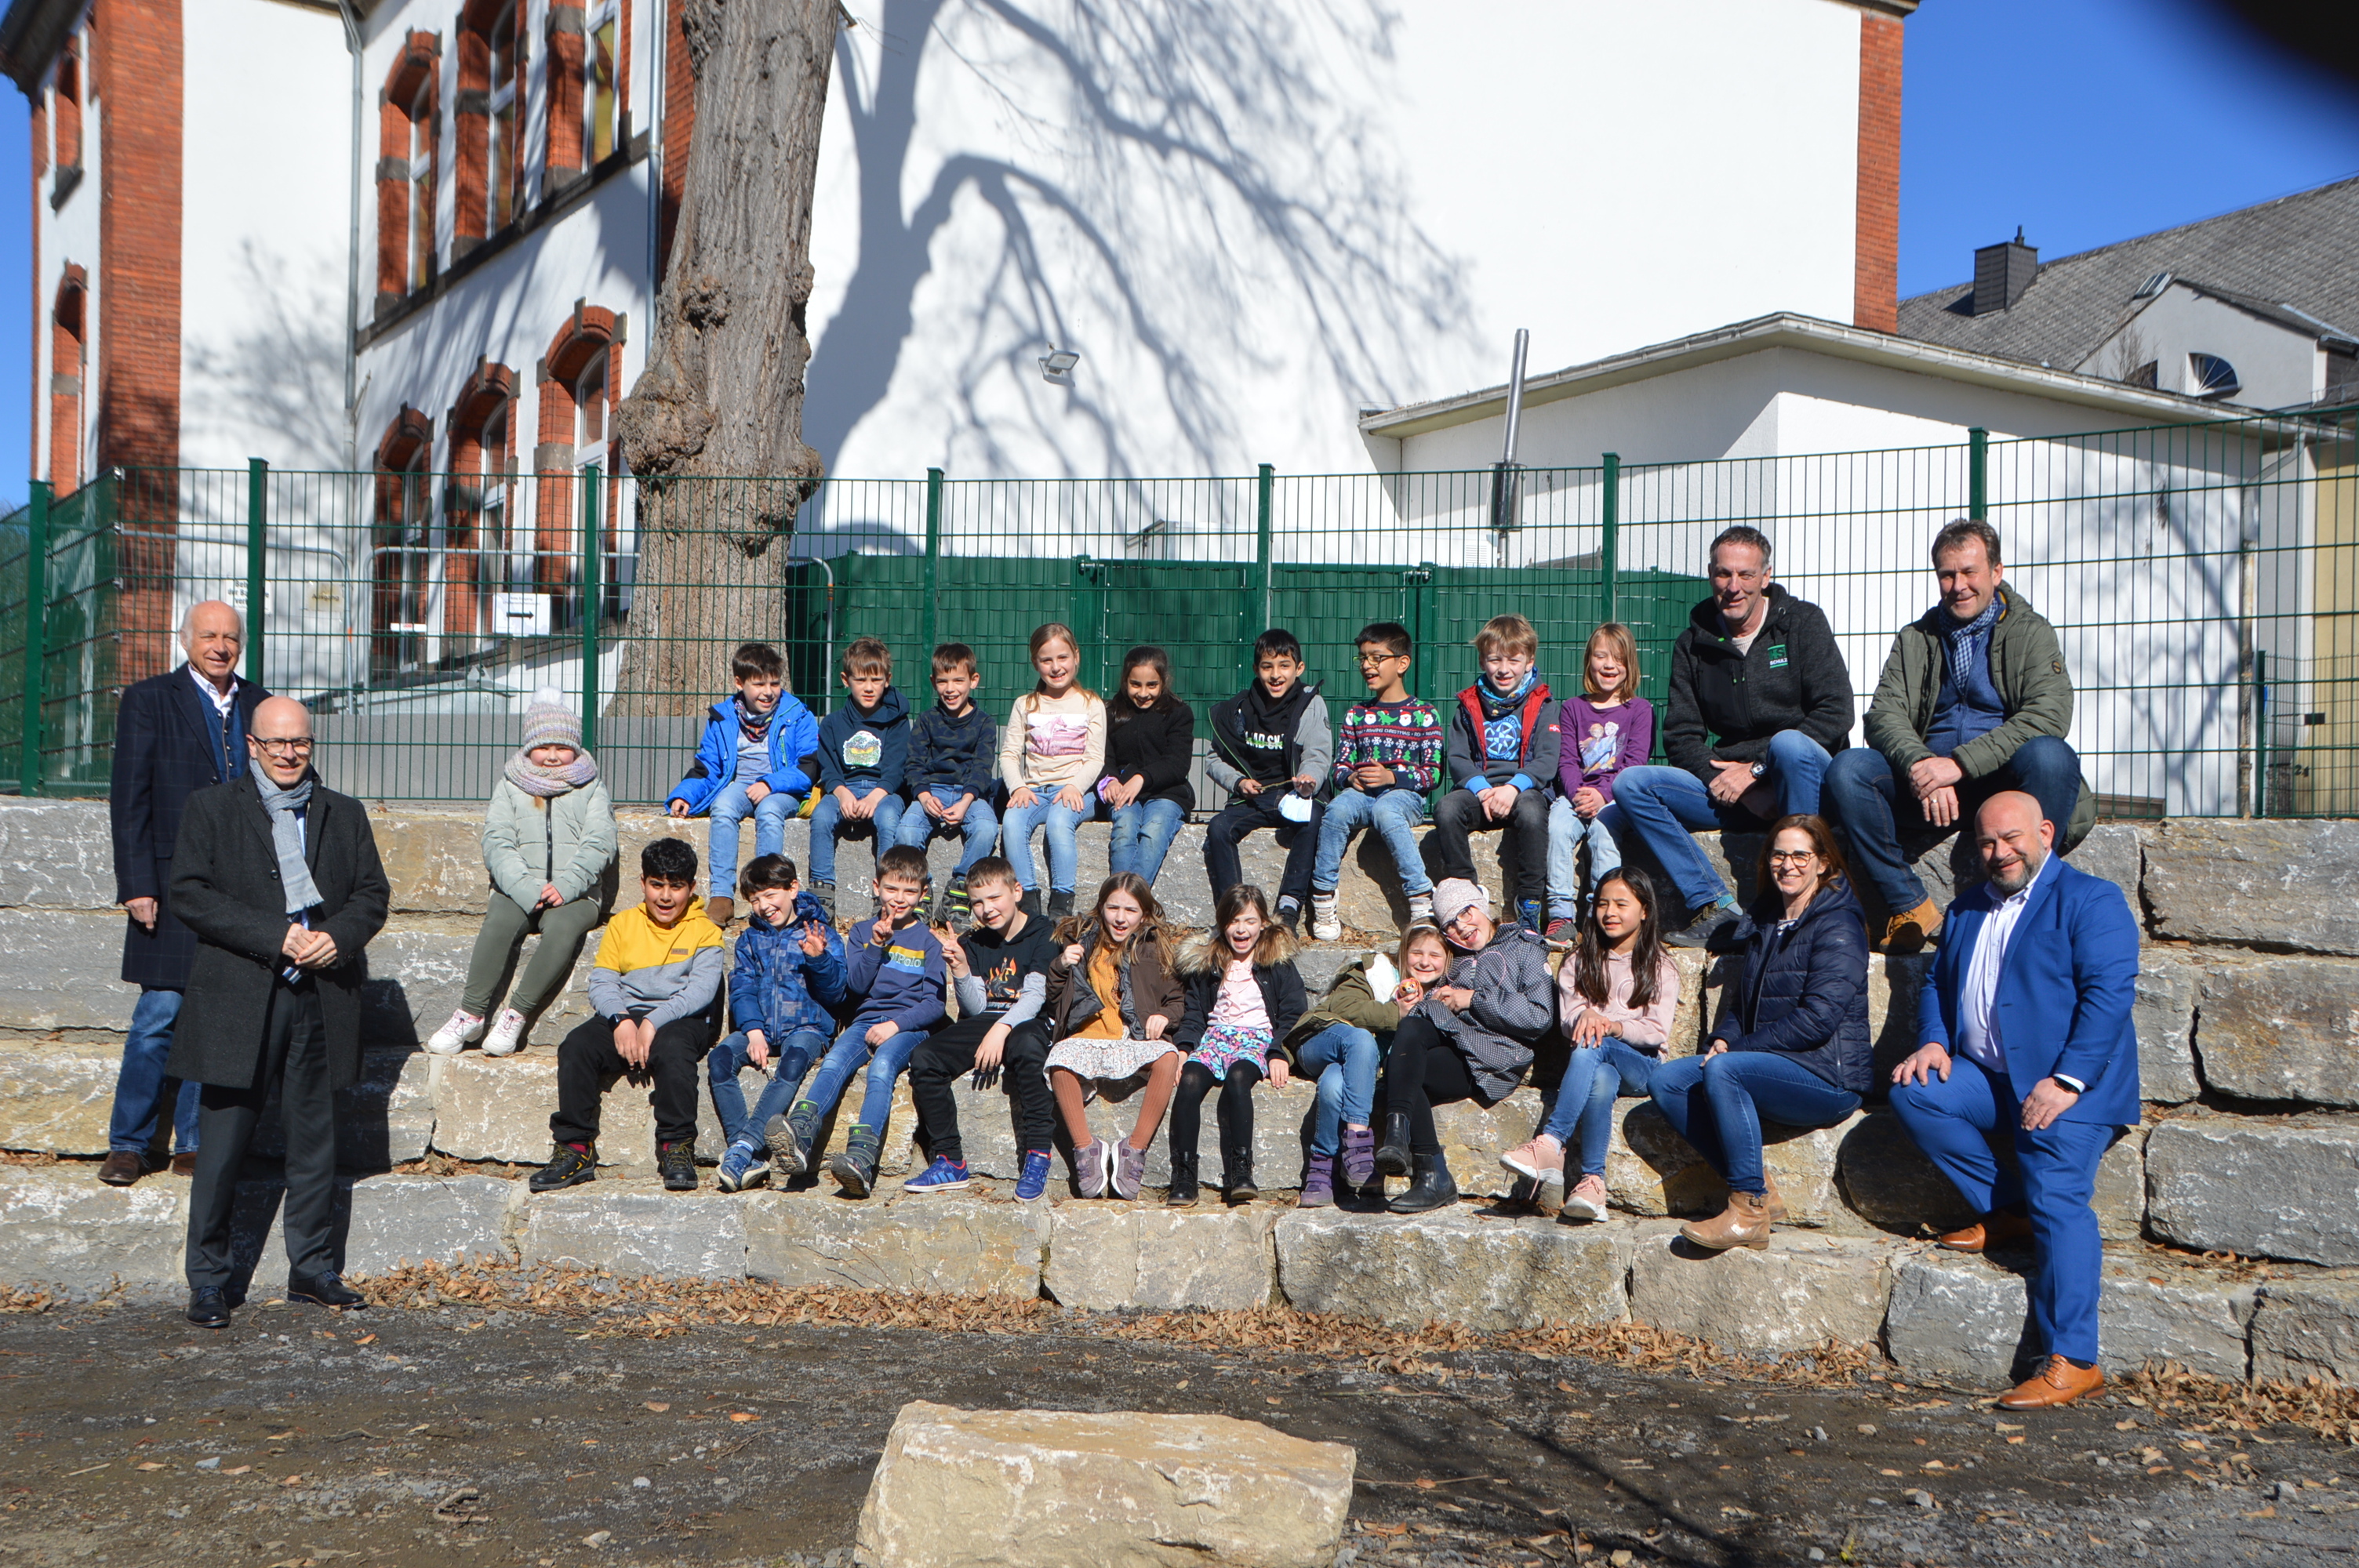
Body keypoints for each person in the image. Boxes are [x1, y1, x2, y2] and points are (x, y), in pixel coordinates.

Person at [1888, 791, 2139, 1410]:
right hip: (1989, 1077)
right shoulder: (1969, 906)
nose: (2000, 853)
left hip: (2070, 1087)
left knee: (2058, 1193)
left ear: (2046, 833)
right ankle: (2007, 1210)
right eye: (1987, 842)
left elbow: (2108, 996)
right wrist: (1935, 1042)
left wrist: (2067, 1081)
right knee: (1917, 1095)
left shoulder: (2091, 899)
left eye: (2012, 838)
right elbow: (1939, 984)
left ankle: (2075, 1358)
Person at [169, 696, 389, 1328]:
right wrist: (276, 935)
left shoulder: (341, 814)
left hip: (321, 998)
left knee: (316, 1143)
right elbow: (188, 892)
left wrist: (339, 937)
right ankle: (209, 1281)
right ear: (253, 745)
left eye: (301, 743)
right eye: (277, 743)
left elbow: (372, 894)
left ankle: (313, 1269)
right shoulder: (212, 808)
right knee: (222, 1146)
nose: (290, 754)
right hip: (241, 998)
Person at [1824, 519, 2094, 954]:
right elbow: (1883, 715)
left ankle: (2033, 901)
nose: (1958, 585)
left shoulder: (2031, 632)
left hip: (2004, 782)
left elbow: (2048, 714)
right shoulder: (1916, 638)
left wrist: (1960, 764)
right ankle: (1910, 904)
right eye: (1947, 575)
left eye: (1969, 572)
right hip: (1930, 789)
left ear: (1996, 572)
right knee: (1850, 769)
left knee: (2051, 756)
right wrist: (1919, 765)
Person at [1603, 528, 1853, 948]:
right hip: (1733, 788)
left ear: (1766, 576)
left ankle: (1804, 904)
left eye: (1745, 575)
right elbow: (1681, 735)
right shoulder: (1692, 644)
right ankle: (1715, 905)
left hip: (1802, 779)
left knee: (1788, 745)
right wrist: (1737, 788)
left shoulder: (1803, 623)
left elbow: (1835, 713)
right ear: (1709, 575)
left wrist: (1758, 773)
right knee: (1632, 784)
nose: (1733, 587)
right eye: (1723, 574)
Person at [1648, 815, 1870, 1250]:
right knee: (1667, 1080)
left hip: (1829, 1076)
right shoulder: (1768, 917)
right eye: (1779, 854)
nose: (1787, 865)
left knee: (1724, 1072)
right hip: (1768, 1062)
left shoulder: (1838, 924)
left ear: (1823, 863)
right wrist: (1724, 1039)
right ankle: (1763, 1189)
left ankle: (1748, 1209)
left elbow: (1819, 1019)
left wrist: (1735, 1053)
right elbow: (1741, 1001)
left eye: (1800, 855)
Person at [103, 600, 267, 1186]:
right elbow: (131, 800)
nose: (220, 646)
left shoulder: (259, 703)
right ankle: (129, 1142)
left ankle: (194, 1142)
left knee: (218, 1012)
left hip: (240, 889)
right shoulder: (149, 700)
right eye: (208, 635)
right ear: (186, 640)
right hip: (170, 885)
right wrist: (137, 885)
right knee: (160, 1012)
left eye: (229, 637)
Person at [532, 837, 727, 1194]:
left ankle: (677, 1145)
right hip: (627, 1013)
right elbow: (602, 982)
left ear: (692, 888)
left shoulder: (706, 931)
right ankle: (575, 1148)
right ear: (643, 884)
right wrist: (621, 1020)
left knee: (673, 1050)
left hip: (682, 1018)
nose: (665, 897)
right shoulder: (622, 924)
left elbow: (700, 992)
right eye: (657, 885)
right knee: (576, 1047)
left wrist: (653, 1021)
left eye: (676, 887)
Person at [428, 689, 616, 1058]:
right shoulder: (510, 785)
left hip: (575, 894)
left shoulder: (590, 786)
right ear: (529, 747)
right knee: (498, 923)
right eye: (543, 747)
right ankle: (471, 1012)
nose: (551, 756)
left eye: (561, 748)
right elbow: (497, 842)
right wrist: (526, 889)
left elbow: (600, 841)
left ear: (575, 749)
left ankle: (515, 1014)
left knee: (562, 929)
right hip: (518, 889)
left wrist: (567, 885)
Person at [1499, 868, 1680, 1221]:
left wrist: (1611, 1025)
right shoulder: (1578, 961)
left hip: (1641, 1065)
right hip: (1594, 1063)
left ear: (1644, 910)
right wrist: (1589, 1021)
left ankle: (1551, 1142)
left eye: (1621, 904)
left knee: (1593, 1043)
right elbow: (1569, 1021)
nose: (1610, 913)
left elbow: (1656, 1031)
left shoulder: (1661, 966)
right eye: (1602, 904)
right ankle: (1593, 1183)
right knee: (1599, 1077)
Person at [1372, 878, 1554, 1214]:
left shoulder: (1526, 949)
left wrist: (1472, 999)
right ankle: (1413, 1153)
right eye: (1451, 925)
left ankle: (1428, 1172)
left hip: (1494, 1056)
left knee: (1403, 1076)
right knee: (1409, 1043)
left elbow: (1539, 1017)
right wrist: (1424, 999)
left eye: (1466, 912)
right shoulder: (1457, 958)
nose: (1462, 927)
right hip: (1454, 1043)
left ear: (1482, 906)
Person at [780, 844, 946, 1197]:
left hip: (908, 1026)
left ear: (923, 893)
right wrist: (875, 946)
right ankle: (800, 1131)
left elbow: (935, 1004)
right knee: (836, 1060)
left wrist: (896, 1026)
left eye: (910, 891)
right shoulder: (861, 932)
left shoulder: (929, 942)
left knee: (883, 1066)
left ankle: (861, 1157)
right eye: (891, 889)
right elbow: (855, 985)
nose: (899, 899)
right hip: (865, 1019)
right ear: (876, 886)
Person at [902, 857, 1061, 1201]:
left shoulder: (1042, 932)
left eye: (994, 898)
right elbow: (975, 1009)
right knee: (925, 1056)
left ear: (1016, 891)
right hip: (989, 1020)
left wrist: (1001, 1030)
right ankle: (949, 1160)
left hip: (1030, 1020)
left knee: (1027, 1048)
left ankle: (1037, 1154)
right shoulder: (974, 943)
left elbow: (1035, 996)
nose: (986, 909)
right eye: (977, 902)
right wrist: (959, 968)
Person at [1284, 924, 1452, 1207]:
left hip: (1353, 1064)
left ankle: (1321, 1173)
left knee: (1334, 1083)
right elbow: (1343, 1006)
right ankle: (1358, 1140)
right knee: (1362, 1039)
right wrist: (1395, 1012)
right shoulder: (1377, 971)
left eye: (1435, 955)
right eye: (1417, 952)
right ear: (1403, 953)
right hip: (1323, 1038)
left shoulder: (1443, 995)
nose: (1425, 961)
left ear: (1447, 960)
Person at [1042, 873, 1187, 1200]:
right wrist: (1061, 965)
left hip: (1132, 1037)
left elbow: (1177, 1000)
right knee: (1059, 1060)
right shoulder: (1082, 942)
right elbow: (1055, 999)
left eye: (1131, 910)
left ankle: (1133, 1150)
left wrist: (1164, 1017)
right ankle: (1085, 1149)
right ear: (1101, 908)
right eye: (1113, 908)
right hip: (1089, 1034)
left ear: (1145, 914)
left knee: (1167, 1057)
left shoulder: (1155, 949)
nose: (1120, 918)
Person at [709, 855, 845, 1193]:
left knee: (795, 1060)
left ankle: (742, 1148)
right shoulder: (750, 940)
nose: (764, 906)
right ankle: (748, 1150)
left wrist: (819, 960)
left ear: (793, 888)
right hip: (761, 1026)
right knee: (719, 1059)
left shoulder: (821, 932)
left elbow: (837, 993)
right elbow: (742, 986)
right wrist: (753, 1031)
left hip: (808, 1026)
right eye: (755, 900)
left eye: (771, 895)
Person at [1166, 884, 1307, 1207]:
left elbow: (1293, 1014)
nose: (1241, 930)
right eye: (1233, 922)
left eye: (1250, 921)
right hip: (1215, 1038)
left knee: (1239, 1078)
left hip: (1256, 1038)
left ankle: (1242, 1170)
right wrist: (1185, 1048)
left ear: (1263, 923)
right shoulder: (1210, 963)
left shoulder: (1277, 962)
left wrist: (1278, 1051)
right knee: (1188, 1081)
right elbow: (1195, 1015)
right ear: (1222, 924)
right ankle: (1184, 1175)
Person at [666, 641, 820, 927]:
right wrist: (685, 795)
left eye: (774, 683)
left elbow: (808, 767)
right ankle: (722, 897)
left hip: (783, 787)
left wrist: (770, 783)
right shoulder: (723, 718)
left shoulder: (798, 715)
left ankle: (767, 892)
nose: (768, 691)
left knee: (769, 811)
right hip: (741, 784)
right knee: (722, 805)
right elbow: (707, 767)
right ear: (740, 682)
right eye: (759, 684)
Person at [1430, 615, 1562, 935]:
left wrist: (1513, 788)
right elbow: (1459, 757)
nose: (1504, 669)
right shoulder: (1468, 704)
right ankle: (1467, 894)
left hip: (1523, 789)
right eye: (1494, 660)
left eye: (1514, 660)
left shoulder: (1544, 703)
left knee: (1533, 813)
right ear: (1482, 661)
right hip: (1483, 792)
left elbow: (1547, 760)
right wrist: (1482, 790)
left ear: (1530, 661)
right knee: (1446, 808)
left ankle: (1529, 902)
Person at [1310, 621, 1443, 940]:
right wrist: (1350, 776)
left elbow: (1434, 773)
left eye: (1376, 657)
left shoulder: (1425, 714)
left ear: (1402, 663)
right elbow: (1338, 768)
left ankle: (1421, 898)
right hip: (1362, 796)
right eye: (1362, 658)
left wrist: (1393, 776)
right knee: (1337, 811)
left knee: (1386, 811)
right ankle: (1323, 895)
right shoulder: (1357, 714)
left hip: (1403, 797)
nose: (1367, 665)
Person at [1202, 627, 1332, 933]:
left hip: (1296, 794)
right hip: (1253, 796)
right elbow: (1212, 759)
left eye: (1284, 666)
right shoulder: (1237, 709)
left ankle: (1288, 908)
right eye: (1267, 666)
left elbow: (1318, 751)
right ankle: (1234, 911)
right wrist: (1238, 782)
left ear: (1298, 669)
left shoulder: (1310, 703)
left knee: (1312, 821)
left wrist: (1309, 779)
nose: (1276, 675)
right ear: (1256, 669)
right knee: (1219, 828)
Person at [1544, 623, 1655, 942]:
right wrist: (1580, 794)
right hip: (1576, 792)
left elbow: (1635, 763)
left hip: (1615, 796)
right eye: (1601, 656)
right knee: (1558, 828)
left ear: (1630, 664)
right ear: (1589, 661)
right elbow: (1566, 759)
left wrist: (1602, 794)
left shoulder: (1640, 710)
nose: (1609, 665)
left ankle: (1598, 914)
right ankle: (1561, 916)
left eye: (1618, 658)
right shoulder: (1573, 708)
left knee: (1603, 835)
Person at [998, 622, 1107, 920]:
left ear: (1076, 657)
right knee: (1012, 822)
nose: (1056, 667)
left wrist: (1074, 787)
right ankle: (1028, 902)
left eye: (1063, 658)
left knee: (1060, 822)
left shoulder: (1091, 704)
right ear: (1036, 663)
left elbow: (1095, 758)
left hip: (1074, 792)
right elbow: (1008, 754)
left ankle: (1061, 904)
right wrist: (1018, 787)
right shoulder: (1025, 705)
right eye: (1047, 660)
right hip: (1034, 791)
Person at [892, 641, 1001, 927]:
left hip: (970, 794)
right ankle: (921, 890)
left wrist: (966, 802)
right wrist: (924, 796)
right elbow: (913, 764)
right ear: (933, 682)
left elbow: (982, 768)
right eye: (943, 681)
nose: (950, 689)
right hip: (932, 791)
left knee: (987, 827)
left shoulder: (985, 724)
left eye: (958, 680)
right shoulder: (927, 720)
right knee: (906, 830)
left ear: (973, 681)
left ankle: (959, 890)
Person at [811, 637, 912, 918]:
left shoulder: (897, 721)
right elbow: (829, 767)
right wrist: (841, 793)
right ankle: (822, 892)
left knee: (889, 818)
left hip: (885, 791)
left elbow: (897, 765)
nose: (869, 687)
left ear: (887, 680)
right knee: (821, 817)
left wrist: (877, 795)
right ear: (845, 679)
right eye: (860, 679)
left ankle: (888, 893)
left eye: (876, 680)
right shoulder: (832, 723)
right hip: (845, 789)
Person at [1100, 645, 1197, 888]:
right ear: (1124, 681)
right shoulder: (1111, 712)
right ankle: (1122, 899)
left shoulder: (1179, 713)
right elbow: (1103, 757)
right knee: (1124, 829)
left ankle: (1127, 902)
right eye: (1135, 685)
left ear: (1164, 681)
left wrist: (1143, 777)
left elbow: (1178, 763)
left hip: (1167, 793)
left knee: (1153, 832)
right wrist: (1110, 779)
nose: (1143, 693)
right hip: (1125, 793)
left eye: (1152, 685)